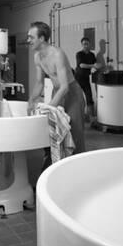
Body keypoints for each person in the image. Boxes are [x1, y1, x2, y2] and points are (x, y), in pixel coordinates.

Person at [26, 21, 86, 171]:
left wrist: (49, 107)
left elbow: (65, 86)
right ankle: (53, 169)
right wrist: (31, 99)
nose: (28, 40)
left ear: (42, 38)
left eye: (31, 37)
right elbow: (39, 82)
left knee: (74, 132)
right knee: (54, 131)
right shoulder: (37, 57)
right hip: (56, 91)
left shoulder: (57, 54)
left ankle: (78, 171)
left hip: (72, 93)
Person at [74, 37, 97, 124]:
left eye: (87, 44)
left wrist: (98, 66)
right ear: (82, 45)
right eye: (84, 44)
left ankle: (91, 119)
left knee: (89, 97)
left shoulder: (92, 55)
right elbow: (82, 65)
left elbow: (95, 64)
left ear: (89, 44)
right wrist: (93, 66)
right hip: (78, 78)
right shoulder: (79, 54)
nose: (86, 46)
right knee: (78, 98)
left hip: (86, 78)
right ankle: (78, 117)